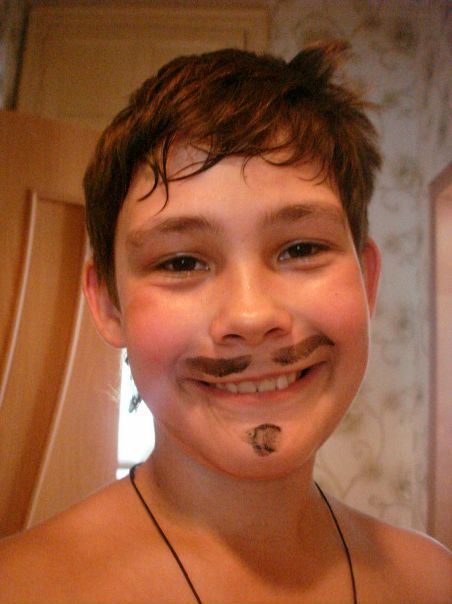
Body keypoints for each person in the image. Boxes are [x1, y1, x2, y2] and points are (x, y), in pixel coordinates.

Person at [0, 41, 450, 604]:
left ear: (367, 282)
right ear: (109, 305)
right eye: (181, 262)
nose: (251, 316)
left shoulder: (433, 580)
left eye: (301, 248)